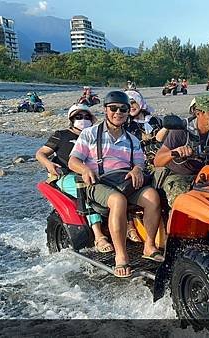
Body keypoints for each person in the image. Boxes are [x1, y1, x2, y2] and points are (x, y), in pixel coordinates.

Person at [69, 91, 164, 278]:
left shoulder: (132, 139)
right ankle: (121, 255)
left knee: (152, 196)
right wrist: (85, 170)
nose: (118, 112)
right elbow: (73, 161)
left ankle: (149, 245)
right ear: (105, 110)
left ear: (128, 112)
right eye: (113, 108)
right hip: (99, 183)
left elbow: (139, 163)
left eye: (123, 109)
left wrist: (137, 170)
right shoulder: (89, 134)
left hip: (125, 182)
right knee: (118, 201)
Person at [35, 104, 114, 253]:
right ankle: (99, 236)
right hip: (67, 175)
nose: (83, 120)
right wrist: (49, 164)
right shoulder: (61, 135)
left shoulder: (94, 135)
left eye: (86, 117)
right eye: (79, 117)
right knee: (86, 191)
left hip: (95, 173)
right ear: (71, 119)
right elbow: (41, 153)